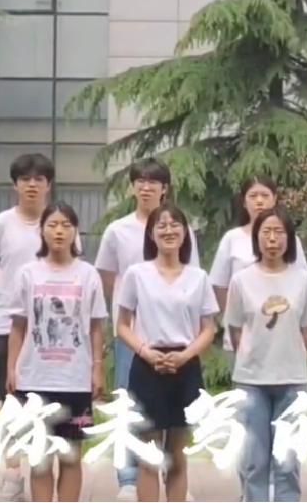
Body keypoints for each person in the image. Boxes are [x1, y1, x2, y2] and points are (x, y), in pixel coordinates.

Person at [95, 157, 200, 502]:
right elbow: (107, 279)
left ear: (164, 188)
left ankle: (175, 477)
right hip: (133, 337)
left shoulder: (181, 230)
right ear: (132, 187)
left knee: (176, 420)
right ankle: (128, 478)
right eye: (139, 181)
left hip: (178, 341)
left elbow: (192, 284)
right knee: (132, 407)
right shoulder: (117, 231)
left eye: (153, 181)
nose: (146, 187)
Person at [117, 203, 218, 503]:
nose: (168, 230)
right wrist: (145, 352)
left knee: (176, 452)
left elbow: (208, 329)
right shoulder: (137, 274)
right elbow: (122, 325)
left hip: (185, 367)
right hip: (147, 365)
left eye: (175, 224)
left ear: (185, 233)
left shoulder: (198, 278)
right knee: (148, 453)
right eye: (161, 225)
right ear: (151, 234)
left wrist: (186, 355)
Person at [7, 201, 108, 503]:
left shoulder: (88, 274)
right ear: (42, 231)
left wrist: (97, 368)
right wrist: (12, 368)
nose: (59, 231)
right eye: (52, 225)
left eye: (66, 225)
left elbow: (96, 327)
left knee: (70, 456)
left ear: (75, 231)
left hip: (75, 379)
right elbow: (18, 326)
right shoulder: (28, 273)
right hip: (34, 378)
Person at [225, 207, 307, 503]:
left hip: (292, 381)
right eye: (266, 232)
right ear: (256, 238)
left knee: (288, 464)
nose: (272, 239)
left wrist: (292, 354)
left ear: (289, 238)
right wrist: (253, 354)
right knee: (254, 462)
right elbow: (235, 328)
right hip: (251, 382)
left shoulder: (303, 281)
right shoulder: (241, 280)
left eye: (279, 232)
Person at [0, 152, 57, 502]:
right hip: (5, 326)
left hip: (50, 331)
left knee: (46, 403)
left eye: (39, 179)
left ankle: (42, 470)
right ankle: (12, 475)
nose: (32, 185)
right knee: (11, 403)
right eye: (25, 179)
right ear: (15, 186)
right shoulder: (0, 225)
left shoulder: (58, 224)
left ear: (49, 185)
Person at [211, 175, 307, 368]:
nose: (259, 201)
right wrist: (234, 316)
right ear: (244, 202)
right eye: (253, 196)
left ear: (274, 199)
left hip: (283, 335)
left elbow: (302, 285)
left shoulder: (289, 239)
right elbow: (220, 285)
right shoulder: (232, 238)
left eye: (265, 195)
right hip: (243, 332)